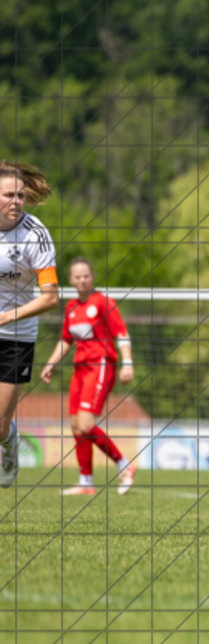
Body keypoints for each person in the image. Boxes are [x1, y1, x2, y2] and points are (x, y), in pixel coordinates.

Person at [40, 257, 138, 495]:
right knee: (75, 425)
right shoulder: (71, 306)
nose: (82, 280)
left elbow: (121, 333)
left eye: (86, 275)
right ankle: (85, 482)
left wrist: (128, 363)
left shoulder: (103, 302)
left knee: (86, 423)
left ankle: (124, 465)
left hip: (100, 364)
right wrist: (51, 364)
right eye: (77, 276)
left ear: (92, 277)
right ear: (71, 280)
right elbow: (66, 339)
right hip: (80, 368)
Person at [0, 161, 60, 488]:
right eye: (9, 195)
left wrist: (9, 316)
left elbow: (50, 297)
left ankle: (9, 445)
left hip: (16, 337)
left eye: (21, 195)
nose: (17, 202)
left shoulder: (34, 234)